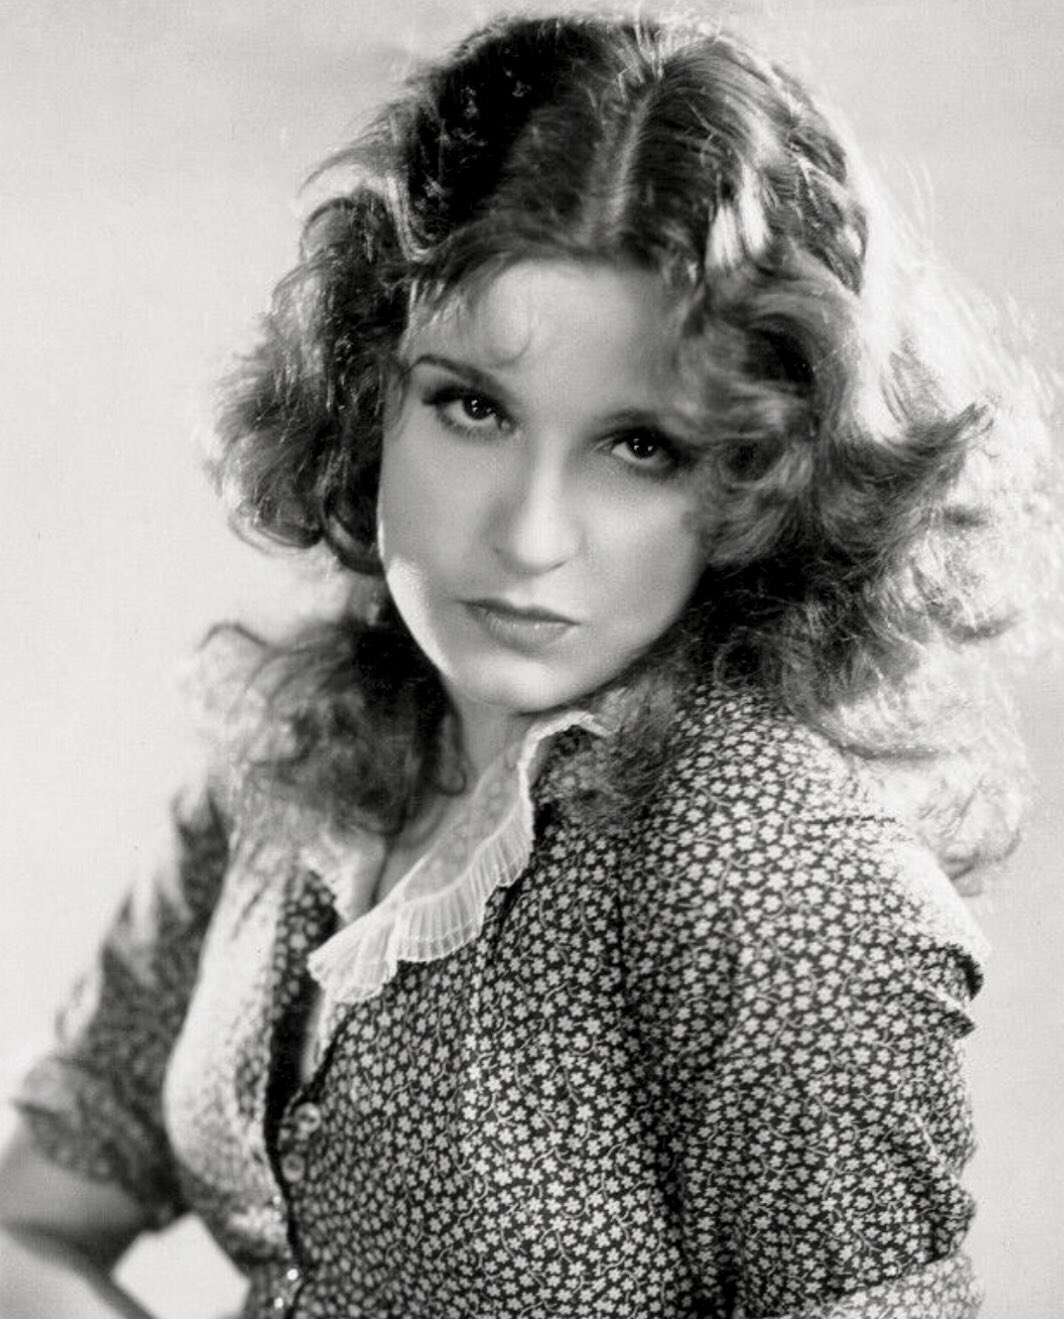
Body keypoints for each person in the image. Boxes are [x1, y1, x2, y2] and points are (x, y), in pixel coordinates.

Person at [0, 11, 1055, 1318]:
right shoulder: (304, 762)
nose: (531, 533)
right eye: (473, 407)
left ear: (763, 478)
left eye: (641, 446)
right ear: (365, 390)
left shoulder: (768, 869)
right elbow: (25, 1228)